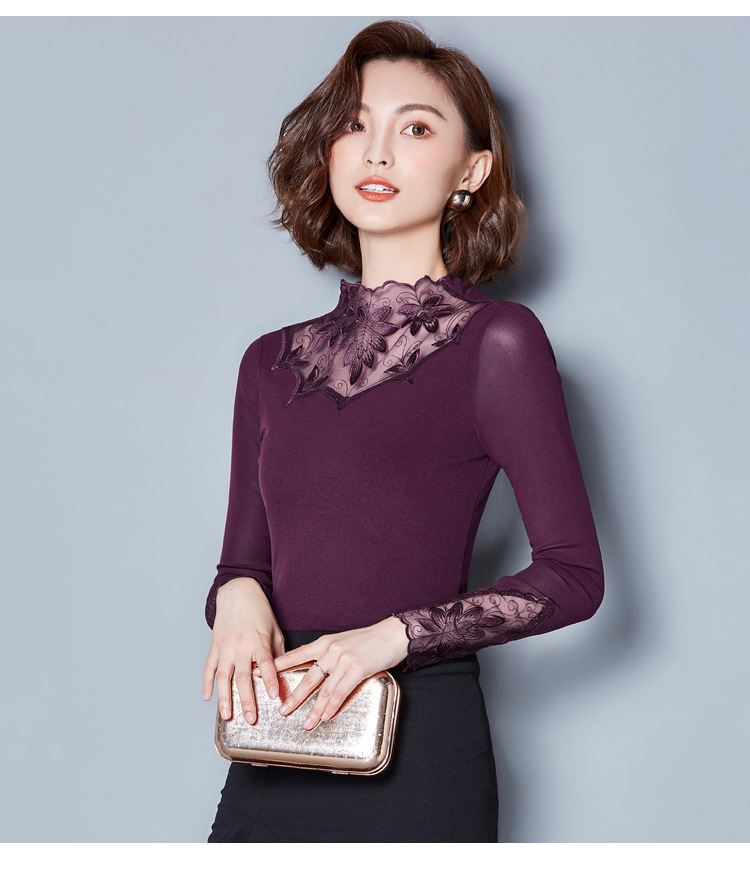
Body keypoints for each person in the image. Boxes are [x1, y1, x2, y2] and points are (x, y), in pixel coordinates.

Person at [202, 19, 604, 843]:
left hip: (419, 747)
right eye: (354, 126)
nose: (377, 152)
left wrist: (394, 637)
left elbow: (573, 576)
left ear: (471, 172)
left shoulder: (498, 342)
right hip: (276, 737)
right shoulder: (267, 362)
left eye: (415, 128)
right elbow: (245, 564)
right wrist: (234, 594)